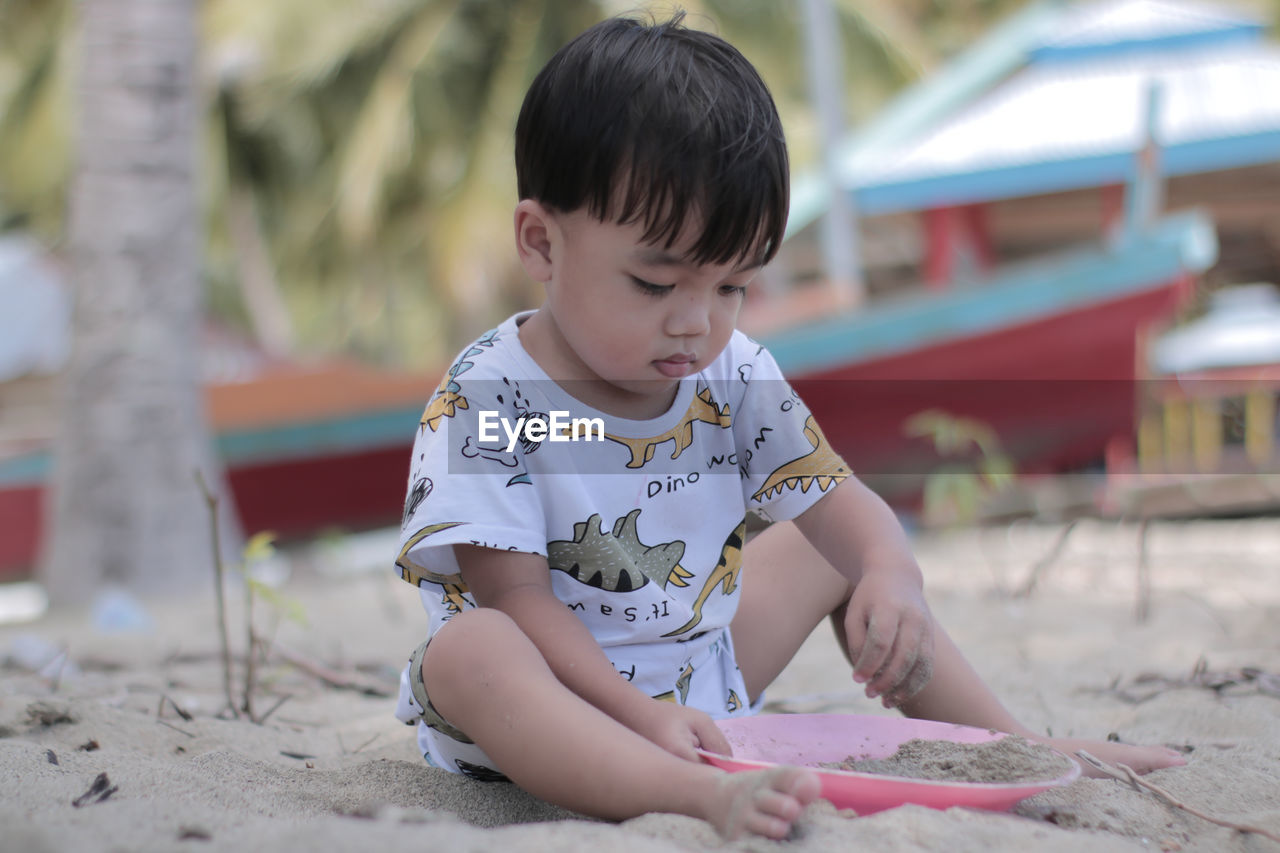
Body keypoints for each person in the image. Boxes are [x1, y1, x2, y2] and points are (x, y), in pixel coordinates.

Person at [392, 12, 1186, 840]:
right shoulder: (490, 394)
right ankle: (689, 796)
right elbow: (517, 599)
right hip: (540, 716)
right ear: (542, 242)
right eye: (656, 285)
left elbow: (836, 499)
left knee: (826, 548)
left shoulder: (732, 375)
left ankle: (1008, 746)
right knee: (472, 648)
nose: (696, 323)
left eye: (732, 285)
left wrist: (889, 572)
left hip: (699, 690)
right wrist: (640, 715)